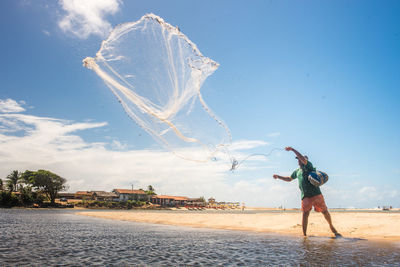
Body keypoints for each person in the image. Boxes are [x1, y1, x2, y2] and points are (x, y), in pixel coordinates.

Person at [273, 146, 340, 237]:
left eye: (300, 159)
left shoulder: (309, 166)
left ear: (305, 160)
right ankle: (304, 235)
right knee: (305, 214)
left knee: (324, 211)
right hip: (305, 196)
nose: (299, 161)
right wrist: (278, 176)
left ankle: (331, 226)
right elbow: (289, 179)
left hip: (316, 194)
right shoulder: (297, 171)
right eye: (298, 160)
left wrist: (292, 149)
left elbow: (302, 158)